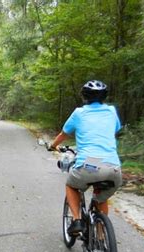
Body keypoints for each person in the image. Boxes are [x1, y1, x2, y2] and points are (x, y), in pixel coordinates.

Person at [48, 80, 122, 235]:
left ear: (85, 97)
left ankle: (76, 221)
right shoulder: (111, 111)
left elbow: (63, 134)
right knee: (100, 198)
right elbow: (115, 129)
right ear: (104, 96)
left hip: (92, 162)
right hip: (113, 166)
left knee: (71, 185)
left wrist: (53, 146)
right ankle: (101, 238)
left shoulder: (79, 113)